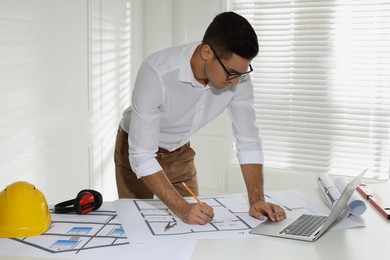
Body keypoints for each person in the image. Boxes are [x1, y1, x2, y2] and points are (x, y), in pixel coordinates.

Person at [114, 11, 286, 225]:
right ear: (207, 52)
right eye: (231, 73)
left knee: (195, 224)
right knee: (138, 225)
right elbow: (141, 154)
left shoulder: (238, 79)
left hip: (179, 151)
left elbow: (248, 140)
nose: (235, 82)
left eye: (241, 74)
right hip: (134, 148)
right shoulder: (156, 73)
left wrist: (257, 199)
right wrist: (182, 208)